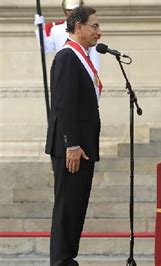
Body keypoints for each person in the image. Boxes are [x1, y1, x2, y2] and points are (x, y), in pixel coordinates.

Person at [45, 6, 102, 265]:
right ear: (78, 27)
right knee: (67, 208)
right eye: (94, 26)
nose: (98, 32)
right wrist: (73, 144)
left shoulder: (81, 57)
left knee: (76, 207)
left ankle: (68, 259)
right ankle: (61, 261)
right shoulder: (68, 57)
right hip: (72, 148)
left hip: (82, 146)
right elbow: (63, 104)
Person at [35, 0, 100, 70]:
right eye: (69, 10)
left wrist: (94, 76)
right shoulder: (56, 29)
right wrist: (41, 29)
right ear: (65, 10)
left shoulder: (87, 29)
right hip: (63, 68)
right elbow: (46, 49)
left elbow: (94, 58)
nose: (72, 12)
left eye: (75, 9)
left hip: (83, 70)